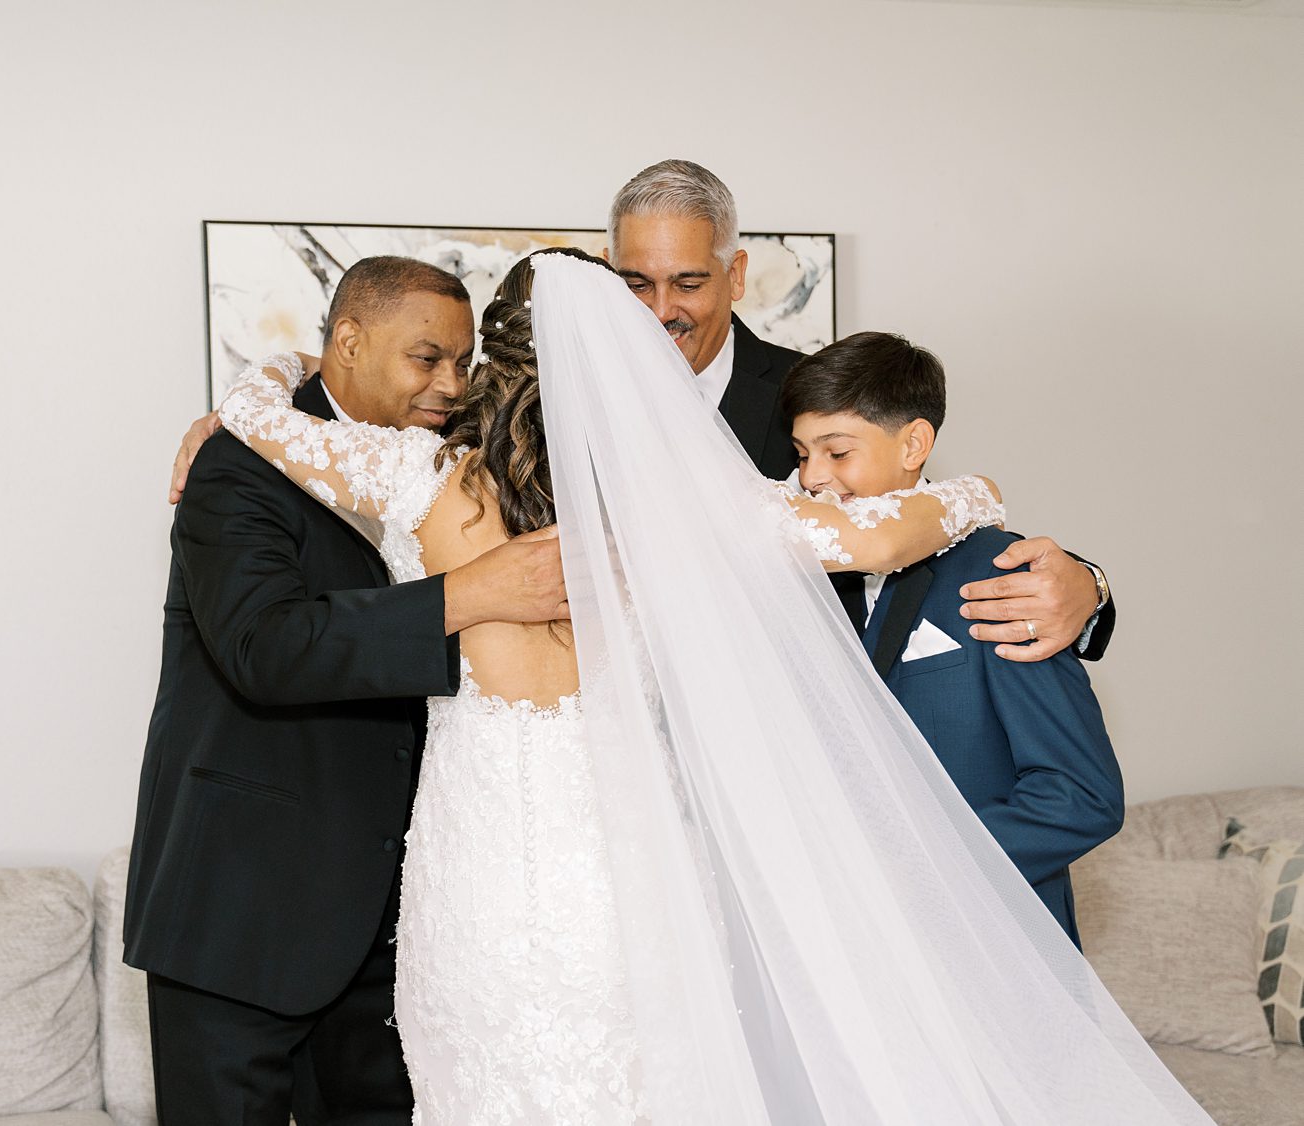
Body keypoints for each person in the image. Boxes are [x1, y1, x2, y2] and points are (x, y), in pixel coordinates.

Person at [210, 247, 1210, 1124]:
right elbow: (884, 530)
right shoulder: (686, 511)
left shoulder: (418, 479)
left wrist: (286, 364)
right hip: (631, 881)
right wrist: (976, 492)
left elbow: (255, 420)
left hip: (475, 888)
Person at [123, 257, 570, 1125]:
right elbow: (266, 647)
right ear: (349, 341)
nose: (450, 383)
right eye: (427, 358)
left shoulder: (464, 470)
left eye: (463, 362)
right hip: (242, 909)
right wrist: (471, 594)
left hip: (403, 921)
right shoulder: (237, 465)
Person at [603, 158, 1115, 664]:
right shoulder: (545, 407)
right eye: (636, 285)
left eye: (688, 285)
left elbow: (915, 517)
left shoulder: (808, 394)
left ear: (736, 276)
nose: (661, 311)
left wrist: (1088, 589)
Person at [782, 331, 1124, 945]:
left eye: (837, 453)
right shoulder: (792, 571)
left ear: (914, 442)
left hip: (989, 946)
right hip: (836, 951)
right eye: (803, 453)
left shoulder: (1001, 574)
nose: (813, 479)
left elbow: (1081, 795)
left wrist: (920, 877)